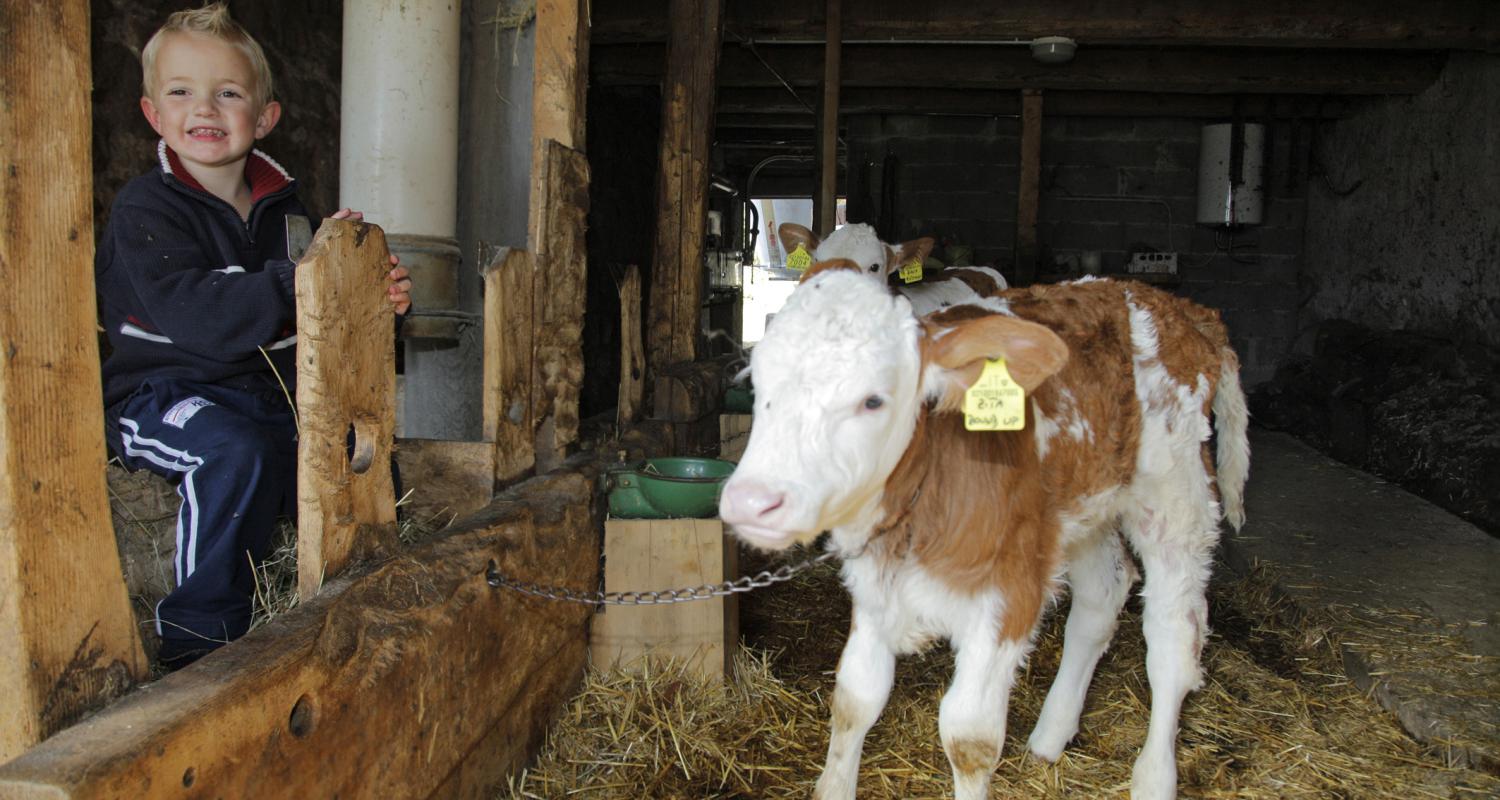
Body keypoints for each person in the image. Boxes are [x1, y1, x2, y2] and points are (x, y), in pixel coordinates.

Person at [94, 3, 412, 670]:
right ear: (153, 113)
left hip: (259, 394)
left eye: (228, 93)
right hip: (162, 396)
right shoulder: (145, 211)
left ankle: (357, 602)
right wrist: (303, 283)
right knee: (233, 454)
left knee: (355, 453)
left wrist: (367, 302)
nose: (203, 108)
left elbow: (314, 335)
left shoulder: (287, 214)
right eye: (180, 92)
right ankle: (198, 640)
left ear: (264, 117)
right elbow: (202, 319)